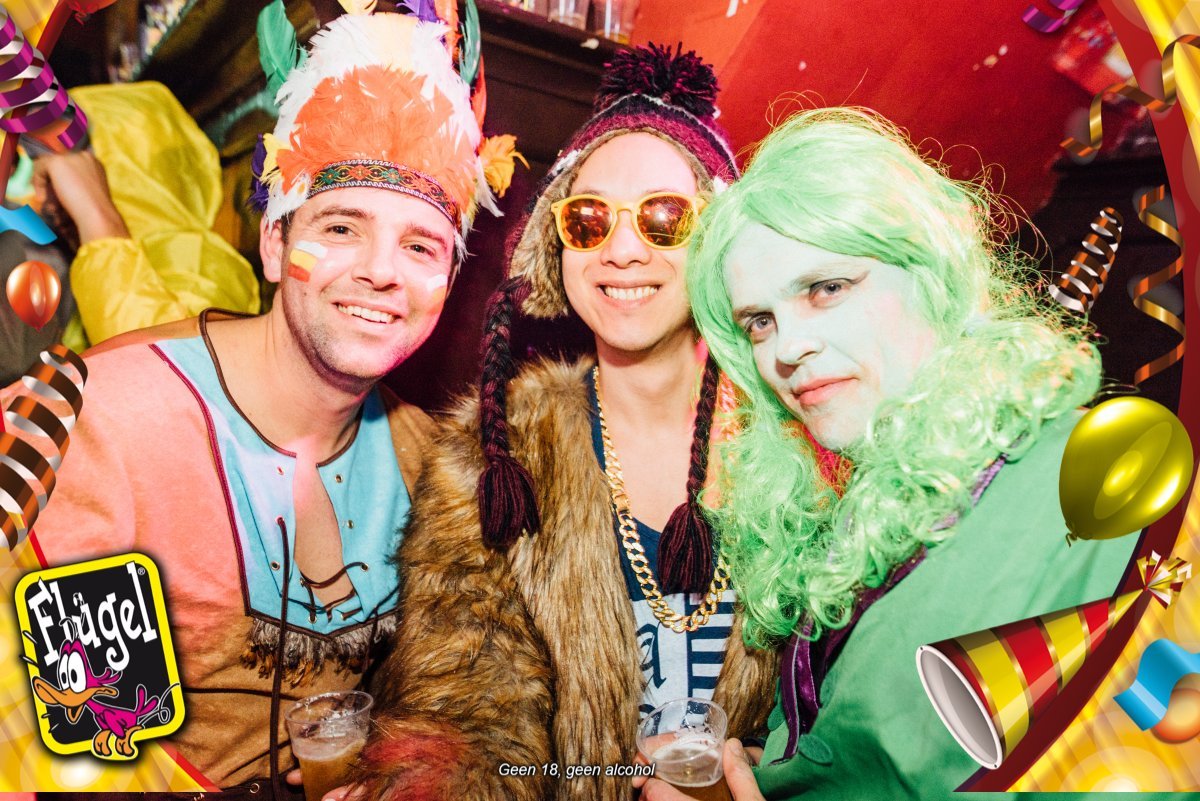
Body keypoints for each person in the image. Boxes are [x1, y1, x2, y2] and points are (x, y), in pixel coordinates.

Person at [0, 5, 516, 794]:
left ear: (448, 279)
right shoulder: (105, 426)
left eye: (420, 245)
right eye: (340, 228)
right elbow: (93, 753)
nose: (382, 272)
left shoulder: (432, 463)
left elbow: (464, 707)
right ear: (274, 243)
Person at [639, 107, 1141, 800]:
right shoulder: (869, 493)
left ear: (930, 272)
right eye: (760, 321)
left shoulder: (1092, 488)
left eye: (827, 288)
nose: (786, 349)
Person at [357, 45, 778, 801]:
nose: (622, 251)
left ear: (720, 237)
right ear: (558, 247)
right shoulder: (496, 460)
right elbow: (468, 731)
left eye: (664, 218)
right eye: (588, 221)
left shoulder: (804, 441)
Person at [30, 81, 262, 352]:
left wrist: (97, 217)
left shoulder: (204, 265)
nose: (43, 199)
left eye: (64, 179)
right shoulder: (82, 270)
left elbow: (168, 360)